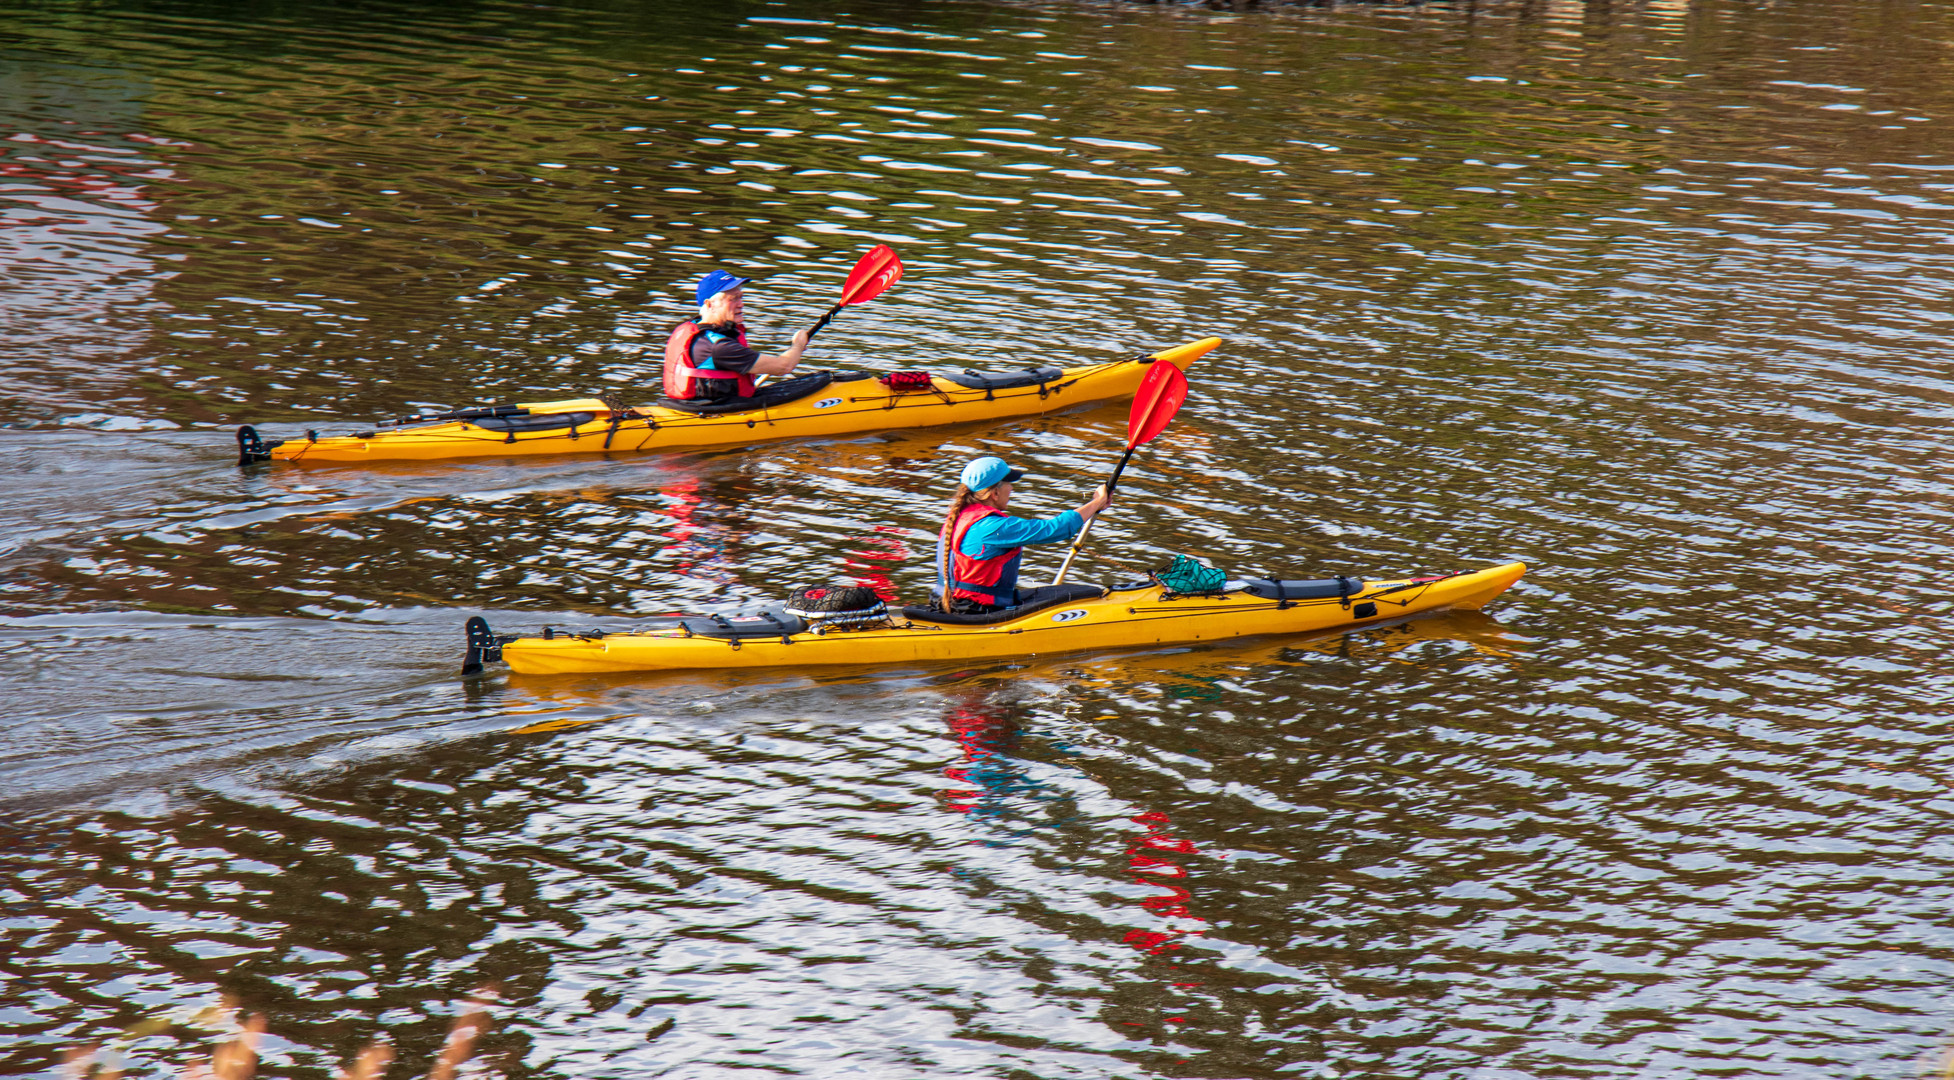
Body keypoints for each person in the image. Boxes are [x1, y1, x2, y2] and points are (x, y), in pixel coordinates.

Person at [938, 456, 1111, 614]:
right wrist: (1096, 502)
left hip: (950, 603)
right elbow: (1055, 529)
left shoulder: (956, 516)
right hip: (977, 611)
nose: (1012, 488)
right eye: (1009, 483)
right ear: (995, 493)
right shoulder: (993, 527)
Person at [662, 269, 812, 401]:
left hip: (695, 404)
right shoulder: (718, 347)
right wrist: (798, 344)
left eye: (741, 297)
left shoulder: (691, 330)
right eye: (732, 299)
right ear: (709, 304)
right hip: (714, 413)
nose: (741, 304)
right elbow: (783, 366)